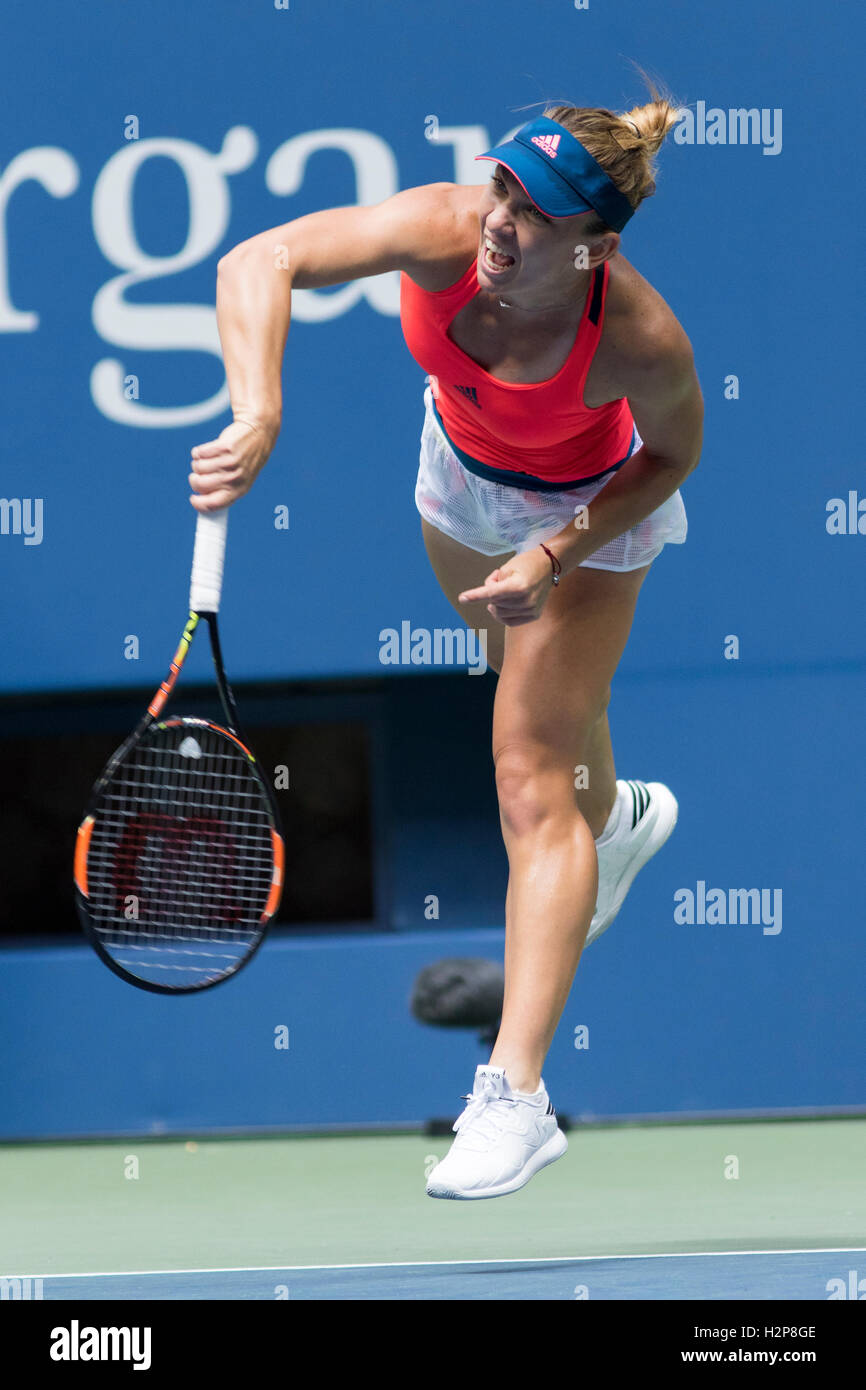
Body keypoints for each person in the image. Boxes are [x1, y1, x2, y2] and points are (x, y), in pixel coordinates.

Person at [190, 78, 703, 1201]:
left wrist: (557, 550)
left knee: (526, 772)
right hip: (459, 484)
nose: (499, 223)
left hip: (583, 520)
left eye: (530, 211)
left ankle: (514, 1098)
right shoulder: (448, 228)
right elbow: (257, 260)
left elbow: (668, 457)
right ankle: (610, 821)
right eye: (498, 188)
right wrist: (258, 408)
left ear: (594, 245)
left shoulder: (637, 337)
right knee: (533, 708)